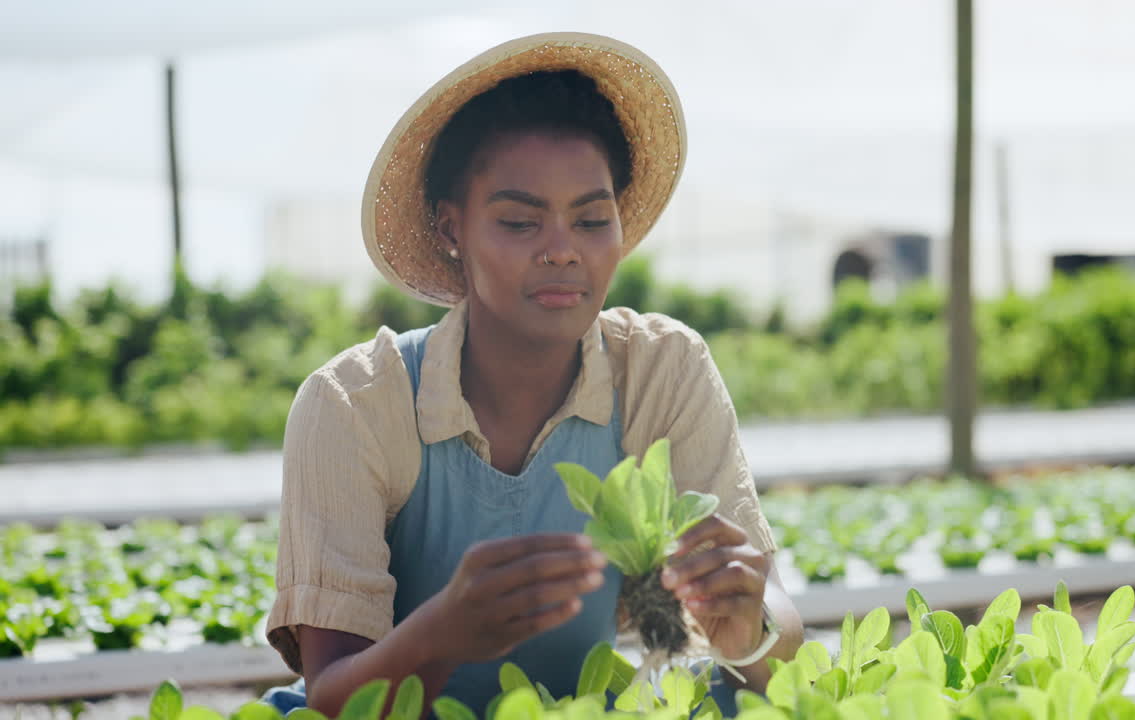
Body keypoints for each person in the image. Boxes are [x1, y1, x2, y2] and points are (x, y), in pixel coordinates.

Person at [260, 32, 802, 718]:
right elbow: (334, 697)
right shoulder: (355, 402)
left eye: (592, 220)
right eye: (520, 222)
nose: (562, 251)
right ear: (451, 230)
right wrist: (442, 633)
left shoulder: (661, 368)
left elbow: (775, 621)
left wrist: (748, 627)